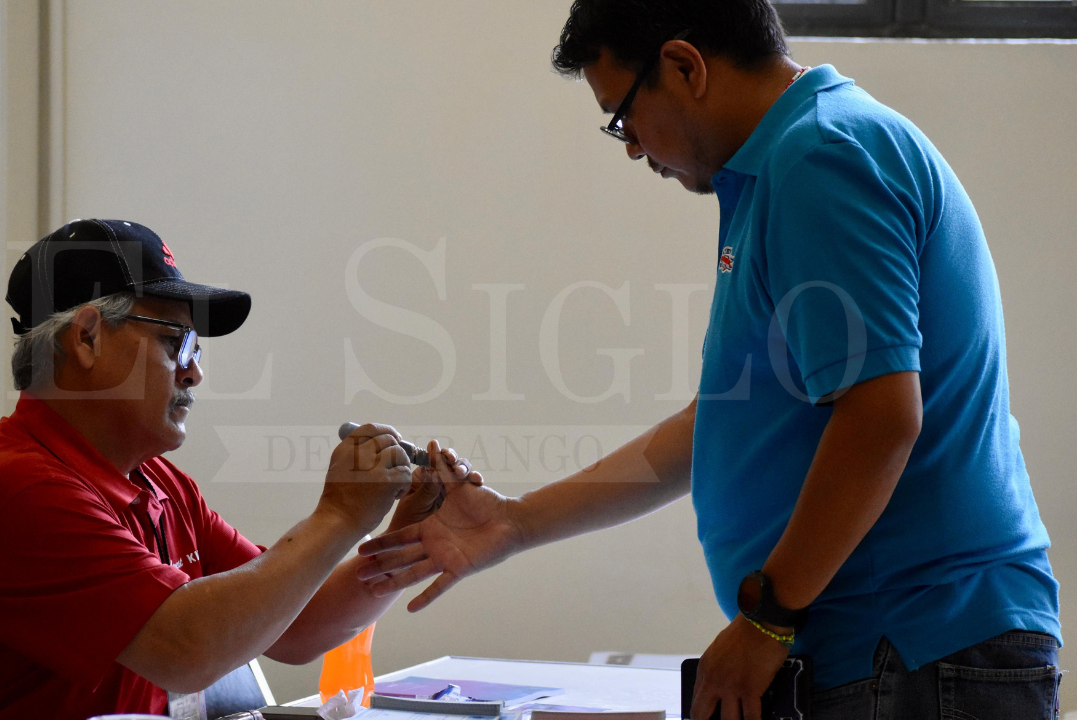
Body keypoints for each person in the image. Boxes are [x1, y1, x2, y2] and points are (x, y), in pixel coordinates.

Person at [358, 2, 1062, 718]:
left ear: (684, 66)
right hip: (892, 646)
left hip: (912, 644)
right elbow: (724, 426)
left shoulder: (820, 158)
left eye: (624, 117)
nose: (632, 147)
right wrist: (515, 523)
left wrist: (768, 619)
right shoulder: (784, 166)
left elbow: (880, 419)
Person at [0, 219, 479, 720]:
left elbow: (294, 627)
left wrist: (407, 536)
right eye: (178, 343)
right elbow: (187, 650)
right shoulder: (12, 493)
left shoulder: (158, 485)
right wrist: (340, 517)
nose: (195, 372)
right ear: (87, 338)